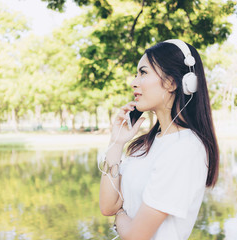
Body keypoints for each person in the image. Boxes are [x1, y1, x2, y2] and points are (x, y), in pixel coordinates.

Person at [98, 39, 219, 240]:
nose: (133, 82)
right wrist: (117, 142)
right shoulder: (146, 144)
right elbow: (107, 205)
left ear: (171, 82)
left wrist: (120, 214)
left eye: (143, 73)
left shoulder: (185, 148)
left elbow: (137, 236)